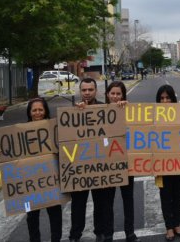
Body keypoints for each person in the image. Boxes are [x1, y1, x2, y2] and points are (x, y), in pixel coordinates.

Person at [0, 98, 62, 242]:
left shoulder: (55, 129)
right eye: (34, 110)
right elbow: (12, 153)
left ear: (45, 111)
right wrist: (1, 153)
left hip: (51, 180)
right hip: (31, 183)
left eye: (40, 110)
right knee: (32, 216)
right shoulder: (20, 132)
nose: (37, 113)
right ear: (29, 113)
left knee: (55, 214)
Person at [69, 78, 116, 242]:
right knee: (78, 205)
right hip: (80, 168)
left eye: (90, 90)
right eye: (84, 90)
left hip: (100, 167)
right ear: (80, 92)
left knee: (100, 202)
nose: (87, 93)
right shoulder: (72, 112)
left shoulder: (105, 109)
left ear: (96, 91)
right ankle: (75, 235)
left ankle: (100, 232)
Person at [104, 81, 140, 242]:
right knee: (107, 201)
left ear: (123, 96)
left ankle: (130, 232)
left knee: (128, 199)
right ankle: (108, 234)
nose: (115, 96)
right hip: (106, 165)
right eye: (112, 93)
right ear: (107, 94)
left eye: (119, 94)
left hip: (126, 163)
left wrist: (128, 107)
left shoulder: (129, 110)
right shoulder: (98, 111)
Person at [156, 84, 180, 240]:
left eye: (168, 98)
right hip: (160, 164)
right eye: (161, 98)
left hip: (179, 162)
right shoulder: (151, 114)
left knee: (177, 193)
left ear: (173, 99)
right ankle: (169, 226)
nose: (165, 101)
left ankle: (177, 223)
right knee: (165, 194)